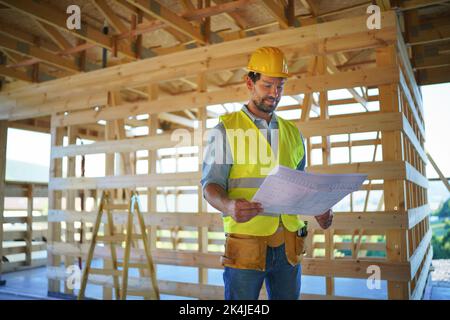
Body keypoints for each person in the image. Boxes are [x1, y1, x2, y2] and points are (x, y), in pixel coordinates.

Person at [201, 47, 333, 300]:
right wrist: (228, 205)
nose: (275, 94)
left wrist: (318, 206)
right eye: (268, 85)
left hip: (289, 247)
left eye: (280, 86)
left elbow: (299, 185)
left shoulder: (293, 132)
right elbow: (210, 185)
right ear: (249, 83)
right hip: (246, 244)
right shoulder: (226, 130)